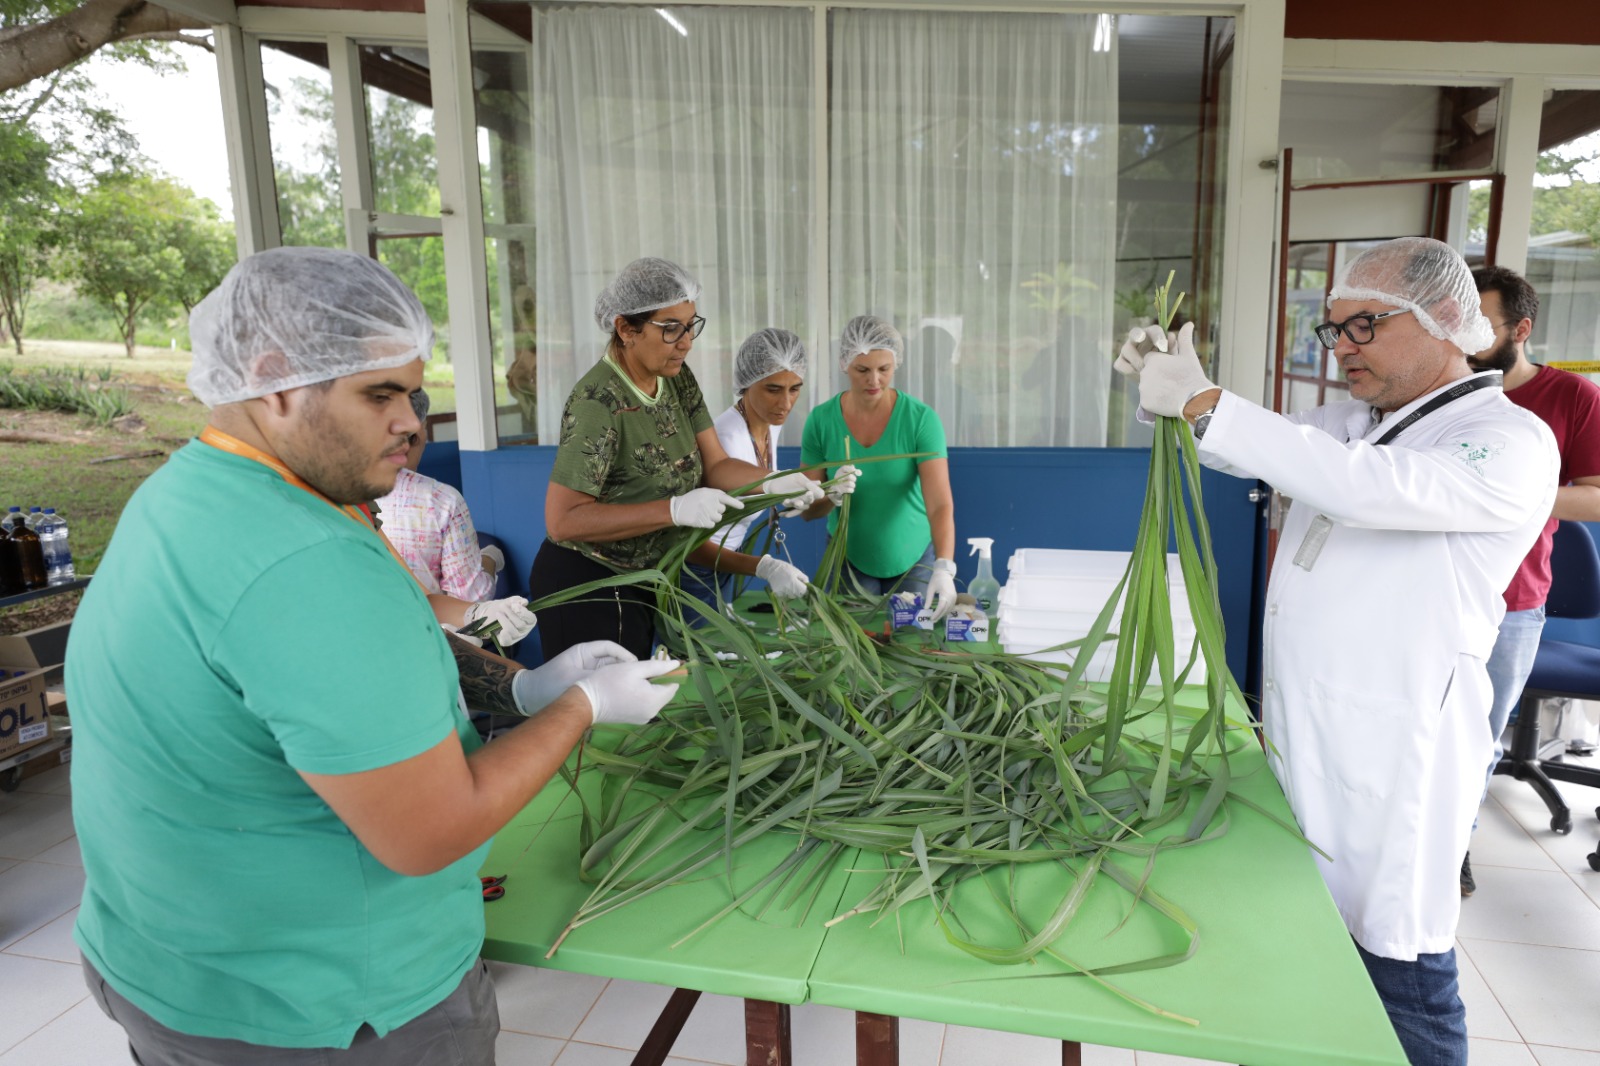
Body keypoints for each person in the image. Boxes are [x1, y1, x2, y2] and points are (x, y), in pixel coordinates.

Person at [65, 246, 682, 1065]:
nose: (413, 424)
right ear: (275, 379)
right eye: (379, 394)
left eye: (414, 392)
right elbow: (432, 834)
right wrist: (585, 707)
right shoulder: (304, 560)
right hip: (322, 1003)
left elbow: (382, 645)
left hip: (177, 966)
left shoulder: (199, 489)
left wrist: (523, 686)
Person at [1115, 237, 1557, 1066]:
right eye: (1333, 330)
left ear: (1447, 322)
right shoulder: (1363, 422)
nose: (1343, 347)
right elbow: (1274, 447)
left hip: (1397, 763)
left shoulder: (1507, 440)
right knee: (1308, 959)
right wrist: (1170, 391)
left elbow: (1365, 488)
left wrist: (1205, 400)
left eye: (1364, 326)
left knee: (1402, 976)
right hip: (1312, 739)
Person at [530, 257, 823, 659]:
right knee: (600, 714)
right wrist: (672, 509)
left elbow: (717, 465)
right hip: (590, 582)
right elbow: (562, 521)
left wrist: (772, 483)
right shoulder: (598, 402)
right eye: (670, 329)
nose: (686, 342)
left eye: (690, 326)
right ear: (625, 329)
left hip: (647, 577)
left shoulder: (676, 376)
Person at [1459, 265, 1600, 896]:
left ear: (1522, 328)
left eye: (1477, 324)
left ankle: (1452, 847)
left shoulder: (1573, 398)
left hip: (1512, 602)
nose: (1461, 337)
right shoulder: (1439, 388)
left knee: (1478, 736)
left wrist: (1509, 497)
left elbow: (1595, 499)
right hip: (1427, 593)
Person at [799, 314, 956, 618]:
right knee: (855, 647)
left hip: (913, 558)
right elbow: (808, 511)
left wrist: (944, 567)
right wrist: (830, 494)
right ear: (845, 363)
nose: (874, 380)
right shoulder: (821, 421)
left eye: (884, 369)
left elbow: (939, 504)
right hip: (848, 560)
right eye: (863, 370)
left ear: (896, 363)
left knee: (913, 644)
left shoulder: (920, 420)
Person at [679, 328, 840, 612]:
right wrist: (763, 567)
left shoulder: (769, 422)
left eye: (795, 388)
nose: (786, 404)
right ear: (746, 383)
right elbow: (691, 546)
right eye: (773, 389)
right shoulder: (726, 440)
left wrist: (826, 493)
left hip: (728, 561)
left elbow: (760, 484)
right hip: (698, 570)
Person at [377, 388, 506, 602]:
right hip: (426, 630)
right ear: (415, 435)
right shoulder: (440, 500)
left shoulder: (338, 493)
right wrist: (490, 559)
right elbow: (470, 599)